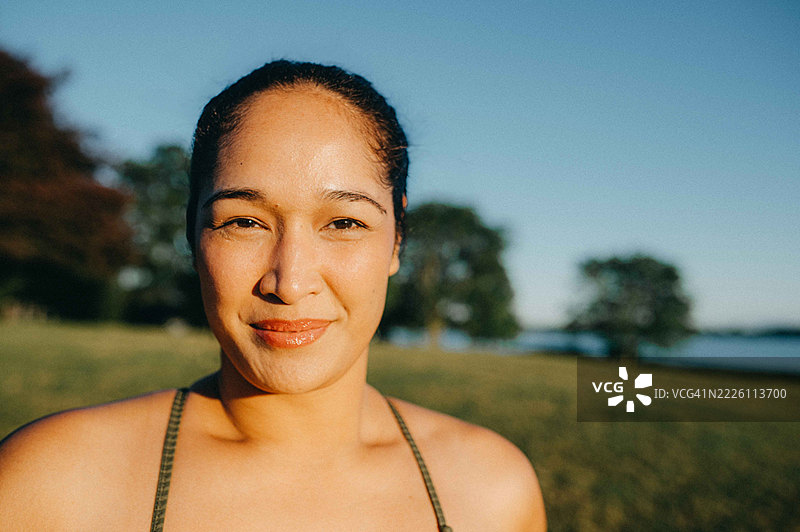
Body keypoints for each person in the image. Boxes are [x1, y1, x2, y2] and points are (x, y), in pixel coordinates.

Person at [0, 60, 546, 531]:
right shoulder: (50, 486)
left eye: (344, 223)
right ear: (192, 234)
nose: (288, 281)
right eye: (243, 221)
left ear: (397, 239)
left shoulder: (492, 492)